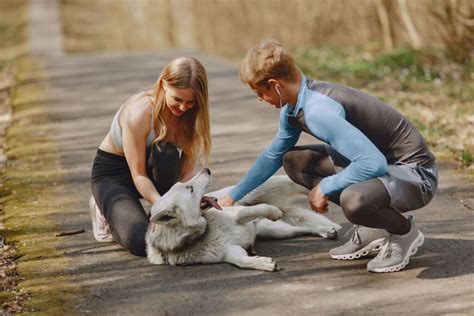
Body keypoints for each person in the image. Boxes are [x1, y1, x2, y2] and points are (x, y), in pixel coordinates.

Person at [219, 39, 438, 273]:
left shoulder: (317, 111)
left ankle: (403, 232)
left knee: (354, 201)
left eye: (260, 92)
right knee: (294, 162)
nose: (260, 99)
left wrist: (326, 186)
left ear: (276, 85)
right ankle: (372, 226)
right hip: (386, 168)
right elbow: (273, 155)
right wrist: (232, 197)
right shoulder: (295, 107)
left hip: (415, 175)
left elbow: (372, 163)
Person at [90, 57, 211, 256]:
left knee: (167, 155)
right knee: (142, 241)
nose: (182, 108)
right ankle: (103, 206)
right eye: (178, 99)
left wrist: (190, 202)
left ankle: (148, 213)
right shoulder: (140, 112)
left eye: (190, 102)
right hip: (114, 176)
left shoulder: (192, 115)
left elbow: (185, 173)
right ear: (164, 84)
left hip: (154, 167)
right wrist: (163, 207)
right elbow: (138, 174)